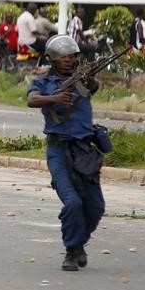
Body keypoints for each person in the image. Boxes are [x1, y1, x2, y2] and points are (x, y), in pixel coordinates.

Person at [27, 35, 105, 272]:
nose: (68, 60)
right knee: (72, 202)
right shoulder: (44, 82)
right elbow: (32, 99)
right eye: (63, 57)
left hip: (84, 150)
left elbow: (93, 86)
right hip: (58, 150)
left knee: (95, 206)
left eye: (71, 56)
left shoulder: (82, 79)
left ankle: (79, 241)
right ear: (52, 59)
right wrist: (55, 98)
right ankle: (72, 250)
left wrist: (87, 76)